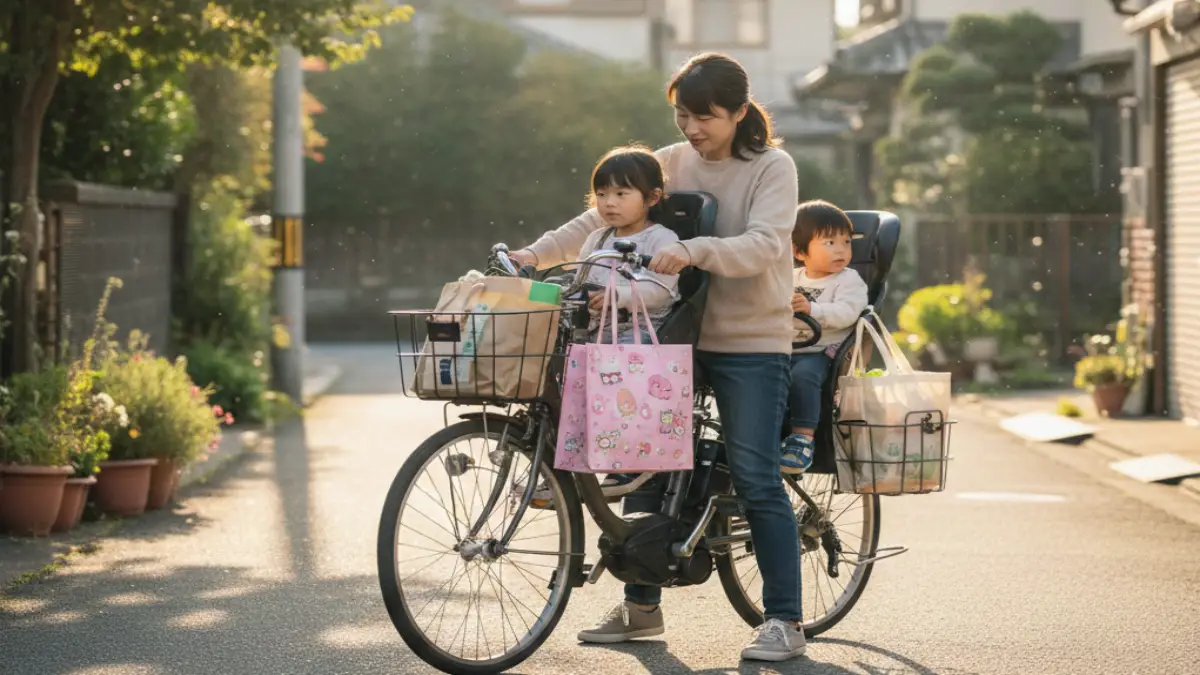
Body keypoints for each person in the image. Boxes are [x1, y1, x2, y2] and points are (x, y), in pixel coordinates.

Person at [509, 52, 806, 662]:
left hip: (748, 337)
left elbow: (767, 244)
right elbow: (602, 212)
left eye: (704, 117)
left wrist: (693, 250)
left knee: (754, 474)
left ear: (740, 113)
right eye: (681, 115)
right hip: (667, 337)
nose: (691, 129)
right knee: (645, 459)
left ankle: (784, 620)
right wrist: (533, 256)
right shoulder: (670, 163)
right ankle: (641, 607)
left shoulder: (772, 167)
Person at [578, 145, 681, 493]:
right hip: (599, 330)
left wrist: (618, 296)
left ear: (652, 197)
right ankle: (566, 461)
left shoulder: (660, 238)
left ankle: (628, 460)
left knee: (618, 373)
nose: (609, 202)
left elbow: (661, 290)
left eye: (621, 193)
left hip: (640, 334)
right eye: (602, 194)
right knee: (567, 373)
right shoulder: (597, 238)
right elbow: (582, 278)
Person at [782, 200, 869, 474]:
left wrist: (812, 309)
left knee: (803, 377)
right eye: (830, 243)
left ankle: (802, 438)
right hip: (784, 347)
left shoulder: (848, 280)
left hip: (824, 351)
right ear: (799, 251)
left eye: (846, 241)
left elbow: (848, 313)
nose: (841, 249)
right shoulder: (789, 277)